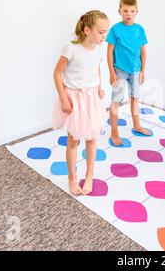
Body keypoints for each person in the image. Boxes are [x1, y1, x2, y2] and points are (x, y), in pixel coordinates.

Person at [52, 10, 109, 195]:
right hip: (74, 98)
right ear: (87, 30)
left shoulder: (99, 49)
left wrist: (99, 86)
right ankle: (72, 177)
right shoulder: (71, 48)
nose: (104, 35)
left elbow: (96, 69)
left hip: (91, 97)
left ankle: (90, 175)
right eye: (101, 32)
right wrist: (63, 99)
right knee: (73, 140)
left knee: (92, 139)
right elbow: (57, 74)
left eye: (105, 31)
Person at [106, 0, 150, 146]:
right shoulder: (115, 30)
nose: (128, 14)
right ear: (119, 11)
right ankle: (114, 131)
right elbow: (109, 51)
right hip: (120, 70)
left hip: (136, 70)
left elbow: (143, 52)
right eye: (125, 11)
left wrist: (143, 70)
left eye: (132, 11)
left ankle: (137, 125)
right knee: (116, 100)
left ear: (137, 12)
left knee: (135, 98)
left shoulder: (140, 30)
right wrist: (112, 72)